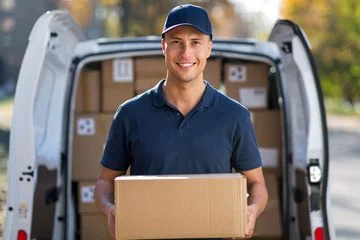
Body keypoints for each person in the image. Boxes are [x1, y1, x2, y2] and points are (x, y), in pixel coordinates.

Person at [94, 4, 268, 239]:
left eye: (195, 41)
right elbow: (105, 182)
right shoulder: (130, 114)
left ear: (209, 47)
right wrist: (110, 210)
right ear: (163, 46)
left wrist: (251, 210)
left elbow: (257, 185)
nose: (186, 52)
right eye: (176, 41)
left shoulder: (234, 116)